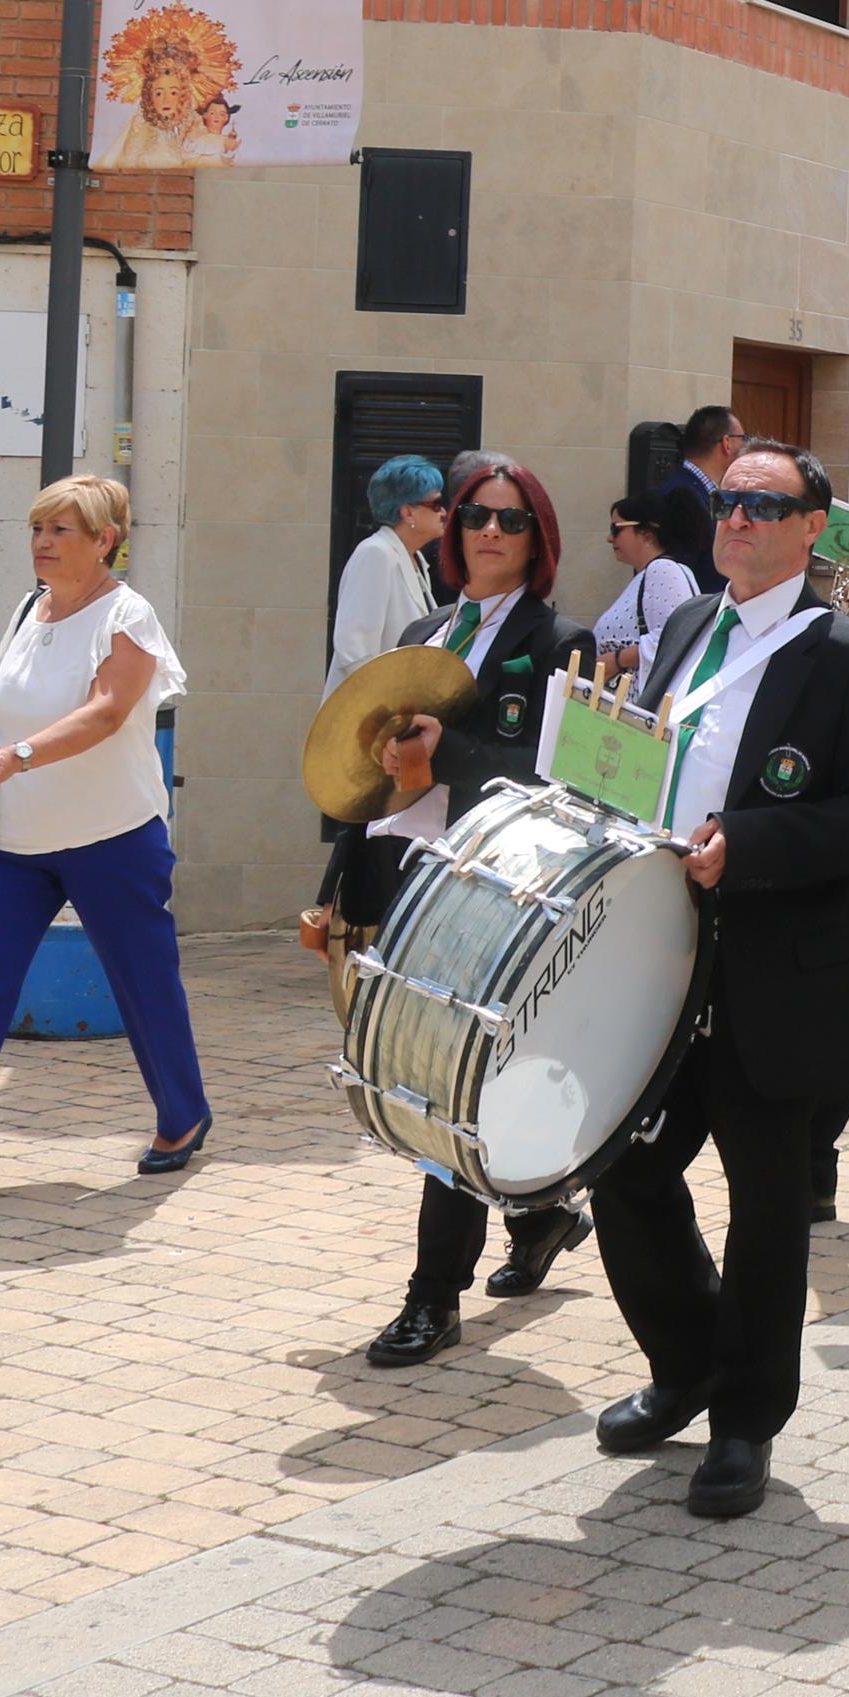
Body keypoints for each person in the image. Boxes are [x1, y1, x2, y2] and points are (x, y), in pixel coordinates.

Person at [588, 443, 849, 1519]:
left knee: (766, 1205)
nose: (735, 519)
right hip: (663, 951)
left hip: (783, 966)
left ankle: (745, 1423)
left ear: (813, 526)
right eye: (726, 501)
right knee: (623, 1169)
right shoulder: (684, 628)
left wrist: (754, 843)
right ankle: (688, 1366)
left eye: (762, 505)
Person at [0, 477, 208, 1194]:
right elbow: (5, 703)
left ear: (103, 540)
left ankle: (182, 1117)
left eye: (61, 530)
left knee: (144, 986)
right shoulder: (31, 607)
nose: (43, 543)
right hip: (17, 843)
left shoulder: (128, 614)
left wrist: (13, 757)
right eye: (37, 528)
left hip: (113, 835)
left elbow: (107, 710)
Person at [345, 458, 602, 1365]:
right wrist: (345, 882)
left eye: (512, 519)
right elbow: (377, 764)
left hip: (494, 884)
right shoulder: (424, 626)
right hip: (414, 870)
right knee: (471, 1074)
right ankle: (538, 1217)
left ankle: (432, 1297)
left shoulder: (563, 637)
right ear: (451, 530)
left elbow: (547, 773)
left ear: (538, 538)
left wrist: (440, 751)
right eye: (475, 516)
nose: (490, 531)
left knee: (444, 1083)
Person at [334, 456, 447, 676]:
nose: (443, 512)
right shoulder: (376, 553)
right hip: (374, 705)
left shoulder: (413, 560)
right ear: (408, 513)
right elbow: (355, 652)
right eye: (435, 504)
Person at [588, 497, 702, 682]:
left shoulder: (663, 569)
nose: (609, 538)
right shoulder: (648, 574)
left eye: (616, 529)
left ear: (646, 533)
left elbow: (679, 638)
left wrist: (617, 660)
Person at [650, 403, 740, 580]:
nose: (745, 447)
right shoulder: (678, 495)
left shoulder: (712, 492)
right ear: (727, 443)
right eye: (742, 438)